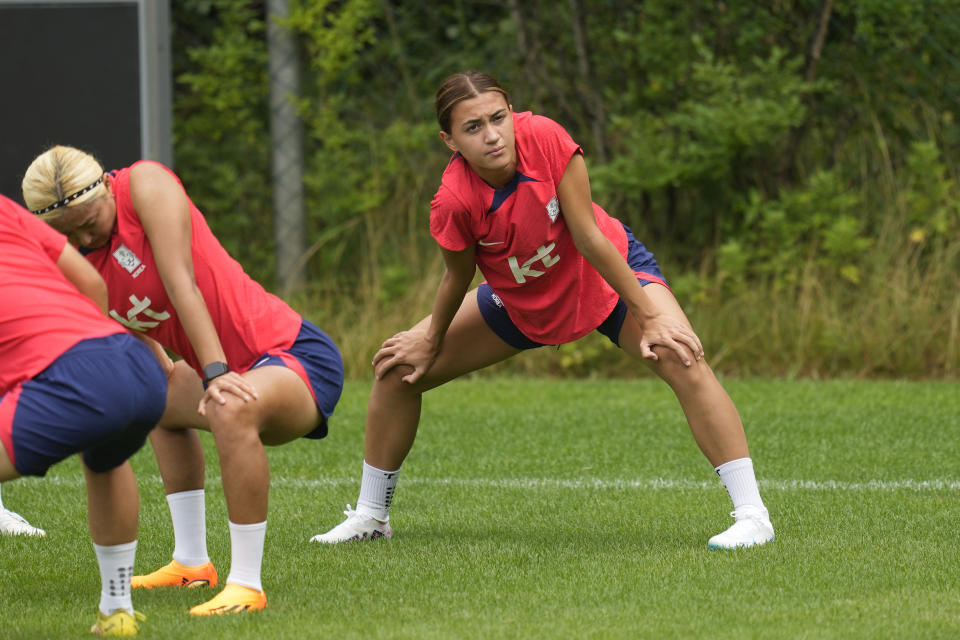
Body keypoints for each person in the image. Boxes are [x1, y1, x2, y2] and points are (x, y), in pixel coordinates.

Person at [313, 71, 774, 550]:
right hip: (521, 299)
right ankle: (371, 515)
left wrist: (651, 316)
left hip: (602, 275)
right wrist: (430, 338)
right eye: (473, 128)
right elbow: (457, 276)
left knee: (680, 355)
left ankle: (753, 517)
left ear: (512, 113)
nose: (492, 135)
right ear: (449, 140)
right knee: (398, 369)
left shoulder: (547, 138)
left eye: (498, 118)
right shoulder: (452, 201)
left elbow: (589, 236)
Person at [22, 146, 345, 615]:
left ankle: (247, 585)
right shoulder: (72, 256)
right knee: (150, 398)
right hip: (232, 366)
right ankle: (192, 563)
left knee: (228, 404)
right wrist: (151, 374)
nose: (83, 236)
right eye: (66, 232)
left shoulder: (144, 185)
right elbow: (124, 327)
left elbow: (180, 282)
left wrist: (215, 375)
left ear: (107, 189)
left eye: (90, 220)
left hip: (293, 356)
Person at [0, 193, 167, 636]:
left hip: (76, 373)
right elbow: (90, 282)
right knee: (105, 459)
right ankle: (117, 612)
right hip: (132, 363)